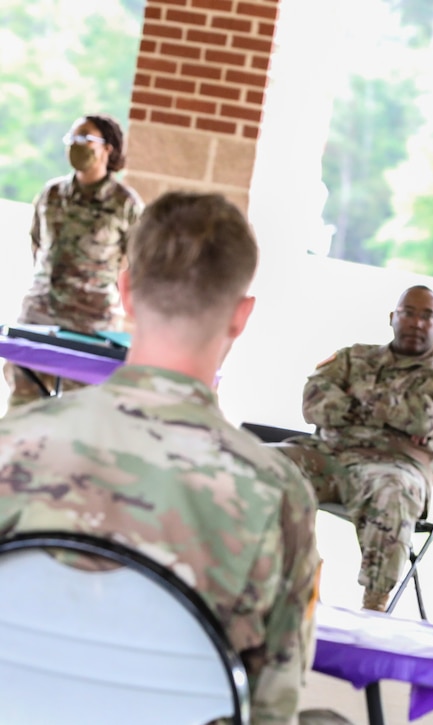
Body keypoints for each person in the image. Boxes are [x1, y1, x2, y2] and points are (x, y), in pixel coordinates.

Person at [0, 191, 320, 724]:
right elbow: (271, 705)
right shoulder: (276, 494)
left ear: (125, 290)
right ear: (242, 316)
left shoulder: (12, 443)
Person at [275, 285, 433, 612]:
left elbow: (421, 419)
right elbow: (313, 403)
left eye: (427, 316)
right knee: (264, 463)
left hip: (395, 468)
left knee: (394, 491)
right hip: (330, 457)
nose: (417, 323)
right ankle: (287, 578)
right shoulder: (354, 357)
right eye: (409, 313)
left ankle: (374, 609)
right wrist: (389, 414)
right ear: (393, 317)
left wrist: (351, 403)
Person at [3, 113, 144, 408]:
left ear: (108, 148)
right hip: (39, 316)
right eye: (73, 138)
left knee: (78, 412)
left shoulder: (125, 204)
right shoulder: (51, 194)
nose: (77, 145)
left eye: (86, 138)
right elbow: (38, 244)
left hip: (90, 325)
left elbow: (137, 263)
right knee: (23, 405)